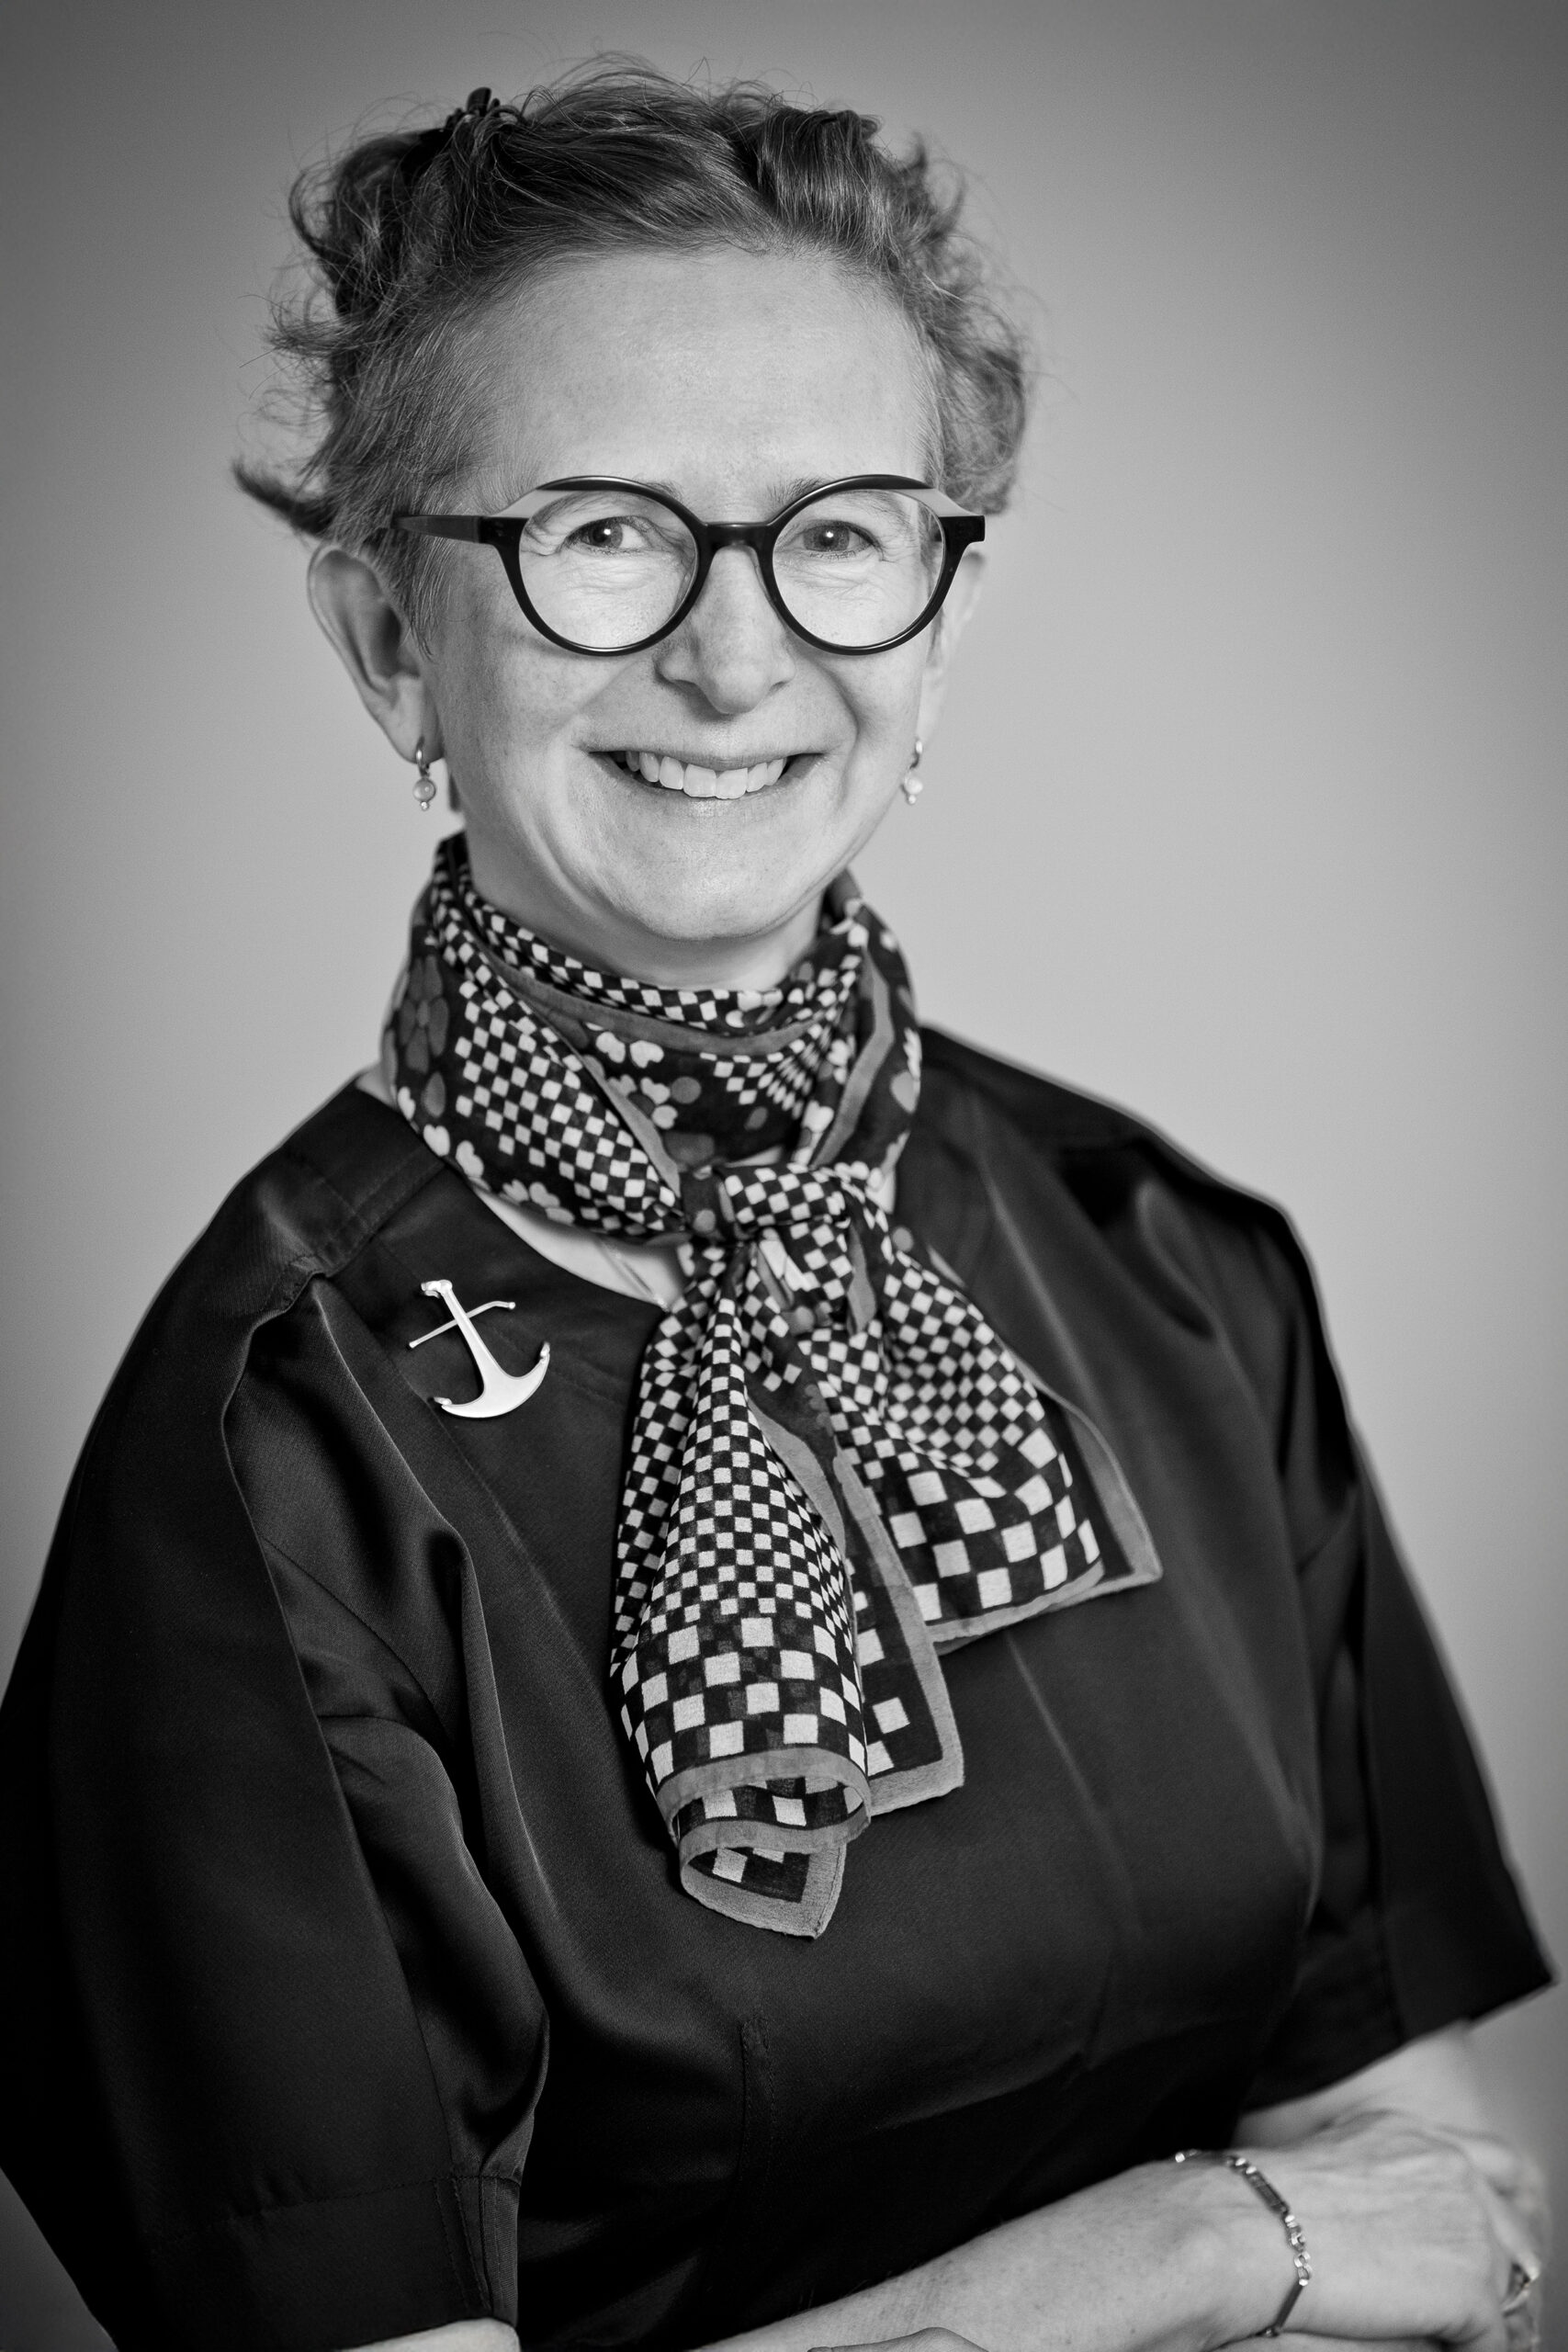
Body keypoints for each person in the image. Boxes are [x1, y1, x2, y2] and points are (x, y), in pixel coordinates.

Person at [0, 64, 1552, 2352]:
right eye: (600, 533)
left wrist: (1318, 2232)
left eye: (835, 534)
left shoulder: (1168, 1255)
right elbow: (1319, 2221)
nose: (734, 659)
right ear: (386, 634)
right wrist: (1183, 2252)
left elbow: (1436, 2208)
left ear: (933, 612)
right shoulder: (264, 1454)